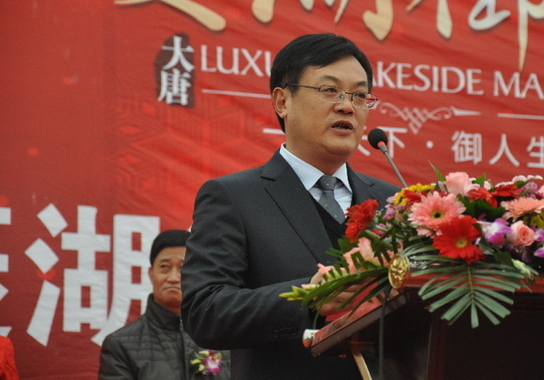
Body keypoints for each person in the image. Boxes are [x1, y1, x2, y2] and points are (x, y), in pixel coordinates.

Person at [181, 33, 400, 379]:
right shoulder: (234, 197)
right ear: (282, 101)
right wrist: (310, 297)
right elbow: (205, 312)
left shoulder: (395, 202)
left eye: (359, 96)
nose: (347, 106)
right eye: (330, 90)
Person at [99, 229, 231, 379]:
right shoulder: (120, 345)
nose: (173, 278)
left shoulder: (223, 337)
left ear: (198, 275)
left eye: (183, 268)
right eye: (164, 267)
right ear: (151, 274)